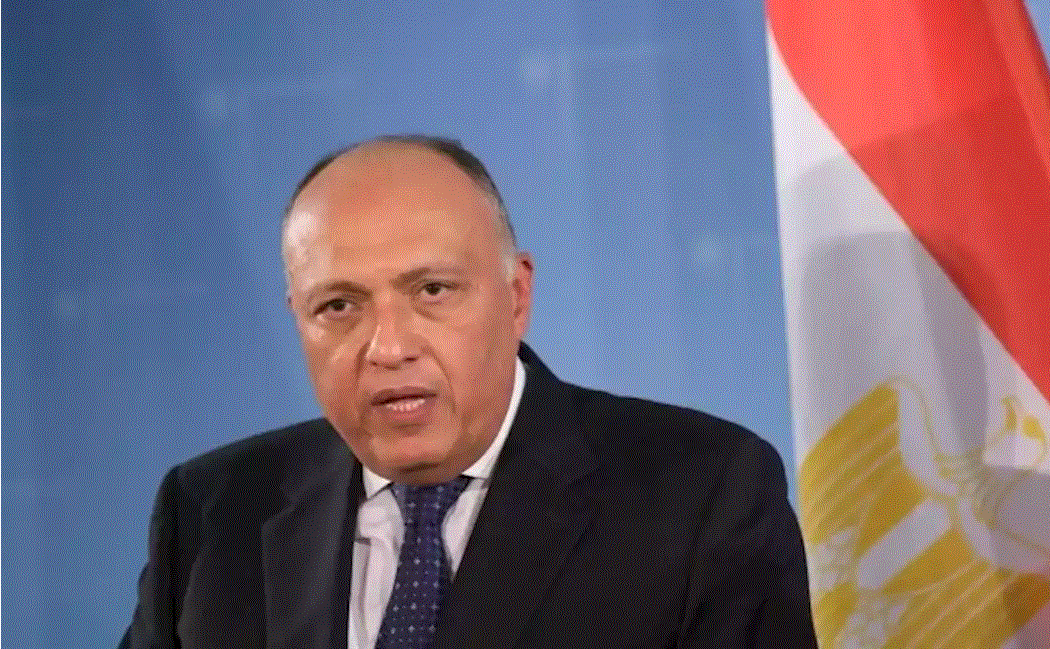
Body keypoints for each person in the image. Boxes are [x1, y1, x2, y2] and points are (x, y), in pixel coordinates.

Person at [121, 135, 818, 649]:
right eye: (338, 306)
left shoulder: (699, 495)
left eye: (432, 291)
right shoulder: (213, 512)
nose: (388, 346)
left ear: (516, 298)